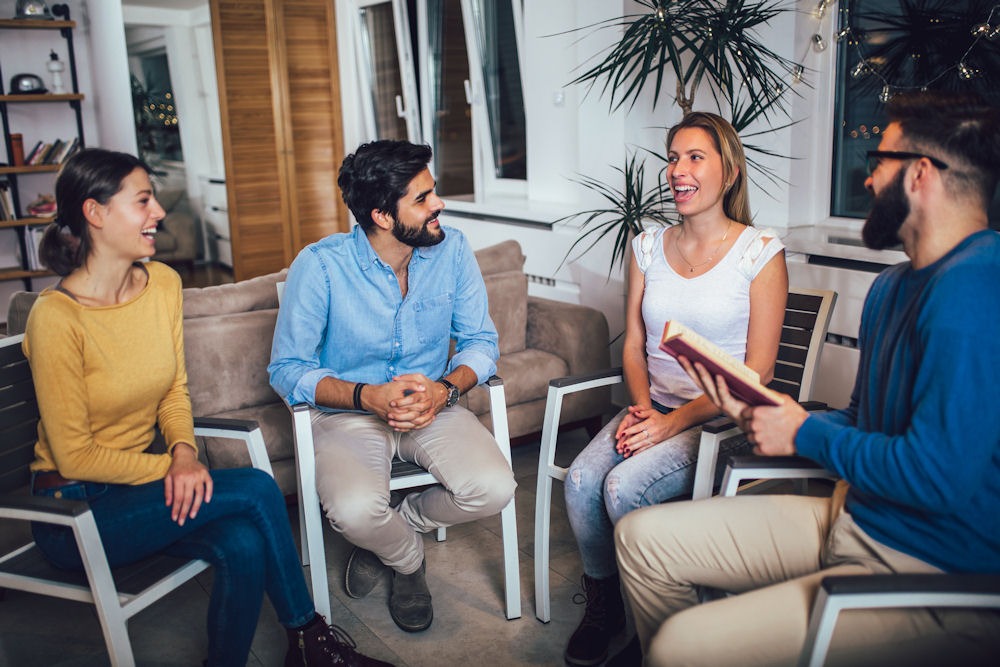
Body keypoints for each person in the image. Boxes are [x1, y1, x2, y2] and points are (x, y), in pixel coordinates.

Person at [615, 91, 1000, 666]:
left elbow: (937, 477)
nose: (866, 181)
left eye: (878, 163)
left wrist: (803, 435)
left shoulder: (975, 291)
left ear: (921, 174)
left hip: (931, 563)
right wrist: (765, 413)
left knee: (677, 648)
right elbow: (859, 420)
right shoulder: (894, 287)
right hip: (852, 514)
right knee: (640, 540)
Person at [24, 148, 393, 667]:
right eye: (144, 200)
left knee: (243, 542)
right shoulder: (56, 319)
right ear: (95, 212)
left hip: (146, 490)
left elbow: (174, 388)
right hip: (74, 509)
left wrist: (182, 453)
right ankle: (311, 642)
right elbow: (75, 455)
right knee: (257, 487)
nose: (159, 213)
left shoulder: (163, 286)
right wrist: (178, 471)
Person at [561, 112, 788, 666]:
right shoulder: (646, 246)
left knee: (622, 490)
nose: (677, 171)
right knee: (582, 479)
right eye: (672, 157)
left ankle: (655, 623)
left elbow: (757, 372)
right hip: (652, 406)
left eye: (695, 157)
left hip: (720, 421)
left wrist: (672, 422)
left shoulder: (759, 252)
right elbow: (634, 341)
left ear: (728, 172)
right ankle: (605, 603)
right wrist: (642, 410)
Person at [268, 139, 516, 633]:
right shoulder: (319, 266)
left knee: (494, 489)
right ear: (382, 216)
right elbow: (287, 369)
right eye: (422, 199)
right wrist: (366, 396)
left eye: (434, 192)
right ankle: (407, 560)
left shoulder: (453, 249)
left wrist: (444, 390)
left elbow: (481, 341)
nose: (438, 205)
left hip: (434, 406)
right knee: (355, 512)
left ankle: (402, 528)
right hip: (349, 414)